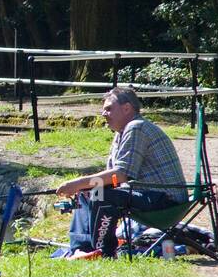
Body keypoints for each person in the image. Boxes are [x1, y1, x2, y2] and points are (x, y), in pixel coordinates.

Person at [54, 87, 188, 259]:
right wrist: (82, 187)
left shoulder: (136, 127)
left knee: (100, 194)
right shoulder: (121, 133)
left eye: (109, 108)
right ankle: (81, 250)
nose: (103, 113)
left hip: (166, 200)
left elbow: (122, 174)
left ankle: (104, 252)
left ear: (126, 108)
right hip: (148, 194)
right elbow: (112, 179)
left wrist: (78, 182)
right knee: (88, 192)